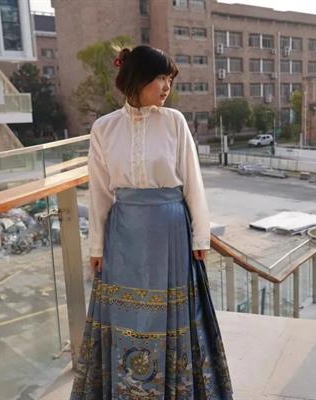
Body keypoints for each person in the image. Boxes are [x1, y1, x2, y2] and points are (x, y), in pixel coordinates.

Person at [70, 45, 233, 399]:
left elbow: (192, 182)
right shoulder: (104, 128)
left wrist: (200, 237)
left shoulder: (174, 121)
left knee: (169, 318)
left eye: (169, 79)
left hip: (170, 233)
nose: (166, 86)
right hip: (123, 234)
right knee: (127, 318)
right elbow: (100, 192)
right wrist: (96, 247)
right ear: (137, 78)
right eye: (160, 77)